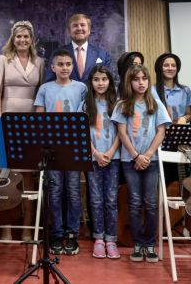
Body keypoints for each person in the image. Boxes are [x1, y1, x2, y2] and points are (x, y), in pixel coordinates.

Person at [0, 21, 45, 241]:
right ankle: (5, 229)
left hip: (30, 125)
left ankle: (26, 229)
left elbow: (41, 94)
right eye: (18, 36)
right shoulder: (3, 59)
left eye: (26, 36)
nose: (22, 40)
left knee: (28, 179)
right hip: (7, 122)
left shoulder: (40, 62)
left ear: (32, 40)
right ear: (13, 39)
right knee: (4, 176)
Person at [111, 64, 171, 263]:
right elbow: (122, 133)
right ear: (129, 82)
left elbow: (161, 131)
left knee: (151, 203)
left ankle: (150, 244)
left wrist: (148, 154)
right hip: (130, 161)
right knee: (135, 202)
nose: (141, 83)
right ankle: (137, 243)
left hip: (151, 161)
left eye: (144, 79)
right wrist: (136, 156)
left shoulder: (156, 103)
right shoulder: (122, 105)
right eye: (136, 79)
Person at [35, 49, 87, 255]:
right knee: (55, 191)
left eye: (68, 64)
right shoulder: (45, 88)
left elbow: (85, 116)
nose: (64, 67)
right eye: (60, 64)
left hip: (73, 148)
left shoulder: (81, 88)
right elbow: (39, 117)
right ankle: (56, 233)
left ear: (72, 66)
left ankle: (72, 234)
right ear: (53, 67)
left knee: (73, 191)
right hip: (52, 149)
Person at [80, 65, 121, 259]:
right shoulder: (85, 105)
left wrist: (110, 152)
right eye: (96, 79)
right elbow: (81, 132)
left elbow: (122, 132)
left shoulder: (117, 104)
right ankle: (98, 239)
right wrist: (95, 153)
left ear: (110, 81)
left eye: (104, 79)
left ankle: (111, 239)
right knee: (95, 200)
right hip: (93, 158)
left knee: (111, 200)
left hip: (113, 158)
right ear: (91, 82)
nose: (100, 83)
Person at [153, 52, 191, 185]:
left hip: (181, 140)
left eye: (173, 65)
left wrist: (184, 119)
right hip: (160, 140)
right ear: (160, 68)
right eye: (166, 65)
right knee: (165, 180)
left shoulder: (185, 90)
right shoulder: (151, 90)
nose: (170, 68)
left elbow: (189, 114)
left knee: (183, 180)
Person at [45, 13, 111, 83]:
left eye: (82, 25)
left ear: (89, 30)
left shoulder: (103, 55)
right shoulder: (56, 54)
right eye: (75, 25)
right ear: (69, 31)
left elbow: (108, 82)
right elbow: (50, 82)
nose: (79, 28)